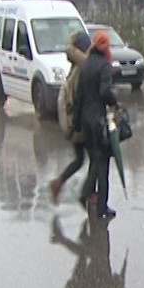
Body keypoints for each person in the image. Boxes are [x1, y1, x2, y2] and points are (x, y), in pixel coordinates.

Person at [75, 30, 118, 219]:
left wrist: (76, 122)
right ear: (106, 48)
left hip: (85, 119)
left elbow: (79, 95)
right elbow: (105, 91)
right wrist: (114, 101)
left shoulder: (86, 65)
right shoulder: (104, 66)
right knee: (103, 164)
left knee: (94, 159)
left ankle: (86, 193)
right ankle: (102, 206)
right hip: (98, 120)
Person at [50, 31, 92, 207]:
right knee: (96, 159)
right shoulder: (82, 68)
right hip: (80, 122)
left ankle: (59, 182)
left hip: (73, 121)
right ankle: (88, 195)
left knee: (80, 159)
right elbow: (82, 96)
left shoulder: (75, 66)